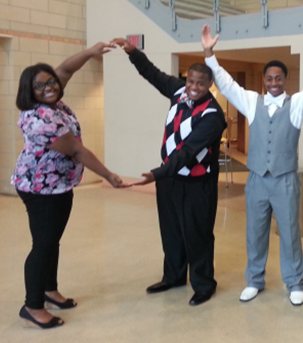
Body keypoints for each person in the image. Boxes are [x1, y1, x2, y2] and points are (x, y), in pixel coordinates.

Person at [201, 18, 303, 306]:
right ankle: (255, 280)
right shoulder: (251, 102)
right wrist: (210, 56)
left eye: (279, 78)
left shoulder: (297, 104)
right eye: (269, 78)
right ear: (264, 80)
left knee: (290, 234)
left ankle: (295, 283)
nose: (274, 82)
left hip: (285, 180)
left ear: (285, 80)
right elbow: (226, 84)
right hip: (257, 179)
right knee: (255, 234)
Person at [12, 42, 128, 329]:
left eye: (51, 81)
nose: (50, 86)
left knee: (52, 240)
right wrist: (109, 175)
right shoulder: (40, 118)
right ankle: (32, 305)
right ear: (30, 91)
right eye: (41, 85)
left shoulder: (51, 100)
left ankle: (49, 290)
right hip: (40, 188)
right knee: (44, 244)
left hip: (58, 184)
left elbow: (64, 68)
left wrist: (91, 52)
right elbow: (77, 151)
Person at [111, 37, 227, 306]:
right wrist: (133, 52)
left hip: (198, 183)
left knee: (197, 234)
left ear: (209, 85)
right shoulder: (178, 92)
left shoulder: (213, 115)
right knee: (172, 230)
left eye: (200, 83)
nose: (193, 87)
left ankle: (203, 284)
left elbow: (188, 152)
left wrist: (156, 173)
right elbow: (152, 74)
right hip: (170, 180)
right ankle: (173, 276)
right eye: (190, 81)